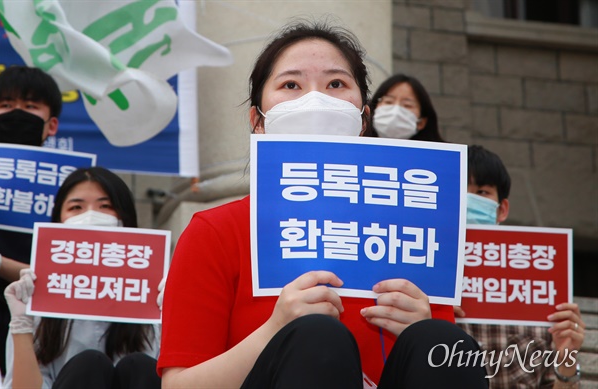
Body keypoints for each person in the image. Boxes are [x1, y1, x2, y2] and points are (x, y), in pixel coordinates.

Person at [158, 20, 488, 388]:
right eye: (290, 85)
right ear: (258, 121)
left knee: (443, 344)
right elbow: (179, 384)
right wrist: (275, 331)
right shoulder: (216, 231)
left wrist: (422, 330)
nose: (315, 99)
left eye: (336, 84)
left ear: (363, 118)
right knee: (317, 335)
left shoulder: (414, 232)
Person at [2, 167, 162, 388]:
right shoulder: (36, 297)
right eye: (76, 207)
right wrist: (21, 325)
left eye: (105, 206)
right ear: (58, 219)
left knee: (140, 365)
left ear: (126, 217)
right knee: (89, 364)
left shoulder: (157, 294)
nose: (91, 215)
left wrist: (174, 315)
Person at [458, 145, 585, 388]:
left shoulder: (538, 287)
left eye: (482, 192)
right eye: (460, 191)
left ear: (502, 209)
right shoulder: (427, 279)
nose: (468, 200)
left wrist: (566, 357)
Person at [0, 65, 62, 374]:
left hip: (44, 321)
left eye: (30, 106)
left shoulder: (72, 188)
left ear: (52, 125)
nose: (16, 114)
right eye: (6, 105)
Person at [366, 73, 444, 141]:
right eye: (388, 102)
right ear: (374, 110)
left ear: (421, 122)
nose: (395, 111)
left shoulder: (442, 156)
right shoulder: (357, 149)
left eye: (407, 105)